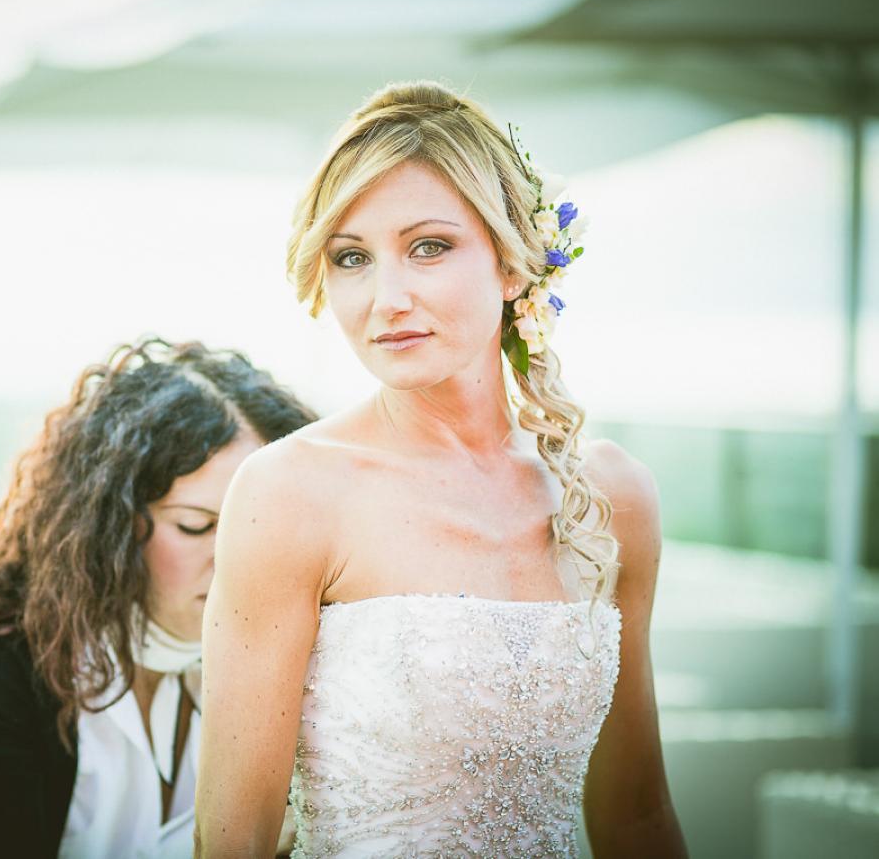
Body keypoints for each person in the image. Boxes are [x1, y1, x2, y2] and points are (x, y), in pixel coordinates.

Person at [195, 80, 688, 857]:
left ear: (514, 262)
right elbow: (234, 841)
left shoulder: (613, 498)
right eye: (351, 258)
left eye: (429, 246)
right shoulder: (290, 494)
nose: (386, 297)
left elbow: (636, 815)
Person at [0, 336, 316, 859]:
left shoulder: (292, 649)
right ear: (109, 524)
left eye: (260, 528)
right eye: (196, 526)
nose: (234, 561)